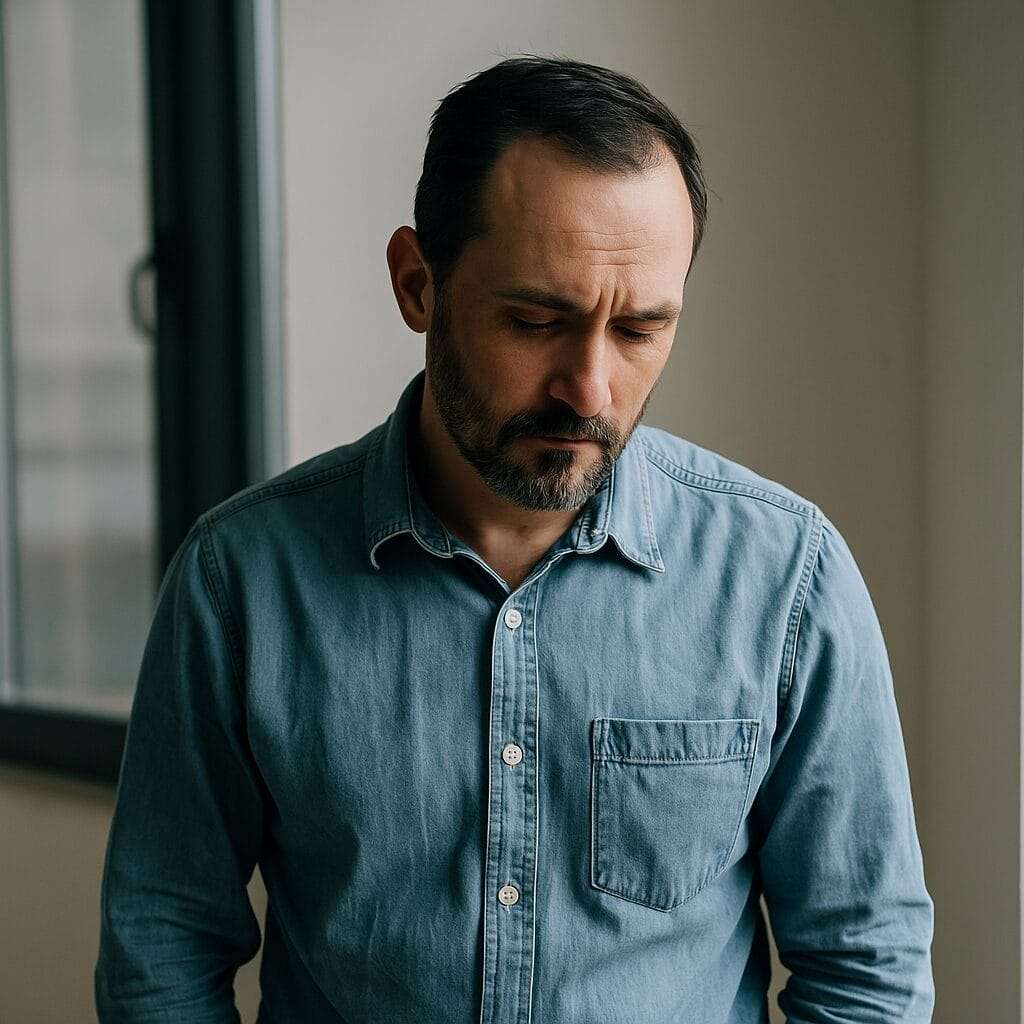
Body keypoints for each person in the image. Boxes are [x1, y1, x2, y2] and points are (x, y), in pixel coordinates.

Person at [95, 55, 935, 1023]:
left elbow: (865, 963)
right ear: (417, 284)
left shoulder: (786, 578)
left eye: (639, 331)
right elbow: (160, 944)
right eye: (537, 319)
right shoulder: (238, 581)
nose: (588, 388)